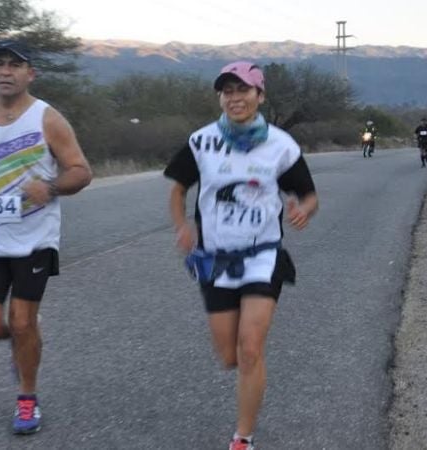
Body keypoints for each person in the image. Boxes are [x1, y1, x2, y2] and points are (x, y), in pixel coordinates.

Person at [164, 61, 318, 450]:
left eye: (243, 90)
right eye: (227, 91)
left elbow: (308, 194)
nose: (235, 98)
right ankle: (245, 388)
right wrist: (182, 224)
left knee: (250, 348)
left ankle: (243, 438)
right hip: (215, 257)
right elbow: (179, 188)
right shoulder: (202, 141)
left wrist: (303, 209)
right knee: (229, 355)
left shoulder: (280, 145)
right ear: (221, 97)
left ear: (259, 96)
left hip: (263, 254)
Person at [0, 39, 92, 435]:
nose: (5, 71)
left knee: (22, 320)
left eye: (14, 65)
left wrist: (52, 187)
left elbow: (80, 171)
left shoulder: (48, 118)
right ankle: (25, 345)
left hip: (33, 240)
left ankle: (27, 399)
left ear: (30, 74)